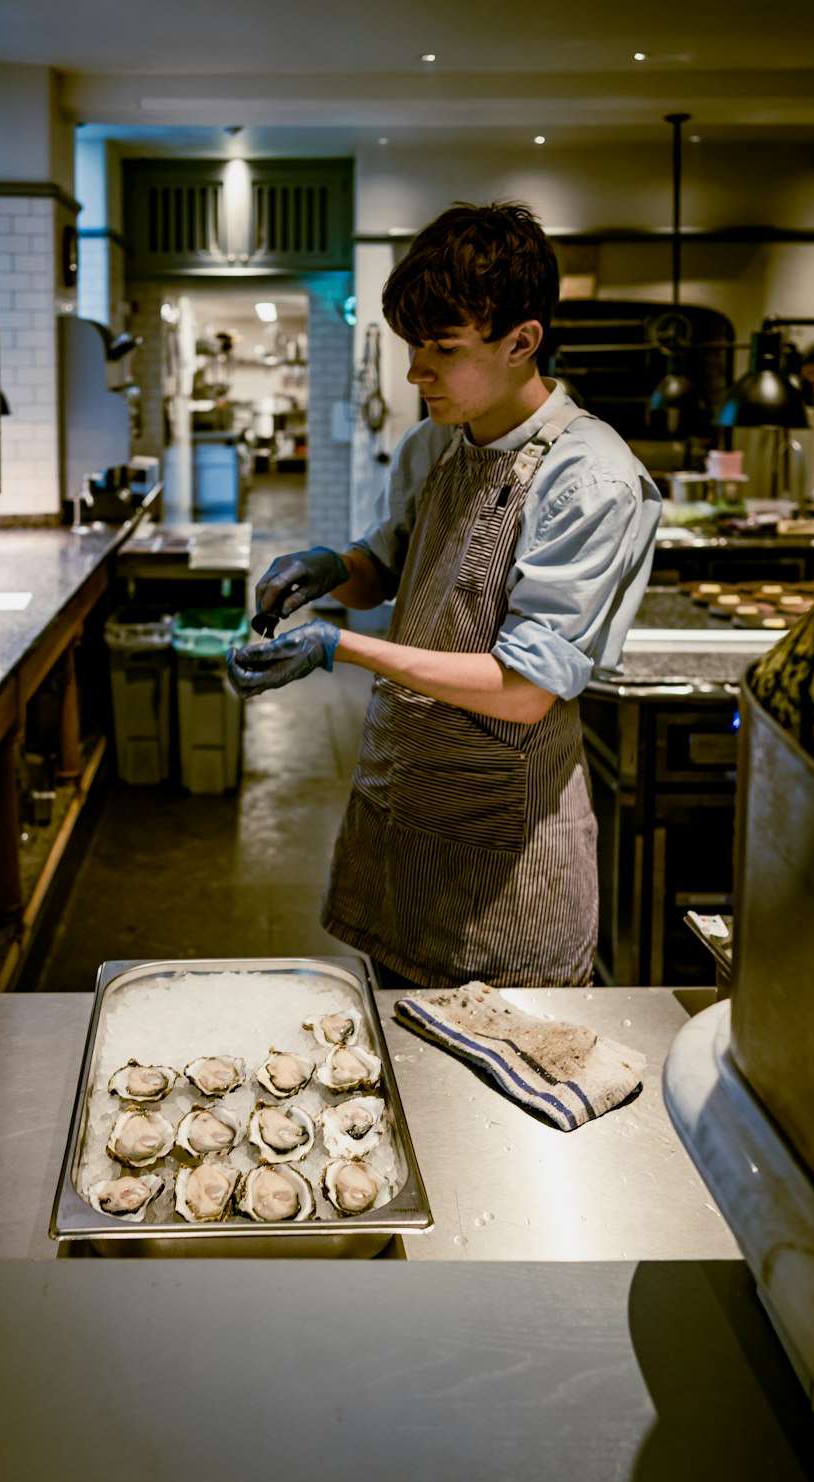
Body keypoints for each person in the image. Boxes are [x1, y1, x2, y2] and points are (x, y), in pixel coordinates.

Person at [227, 202, 662, 989]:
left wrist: (337, 644)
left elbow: (526, 690)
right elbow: (388, 566)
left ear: (521, 342)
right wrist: (333, 568)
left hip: (505, 852)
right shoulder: (435, 441)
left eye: (442, 349)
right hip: (405, 811)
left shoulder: (588, 478)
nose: (415, 373)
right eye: (411, 347)